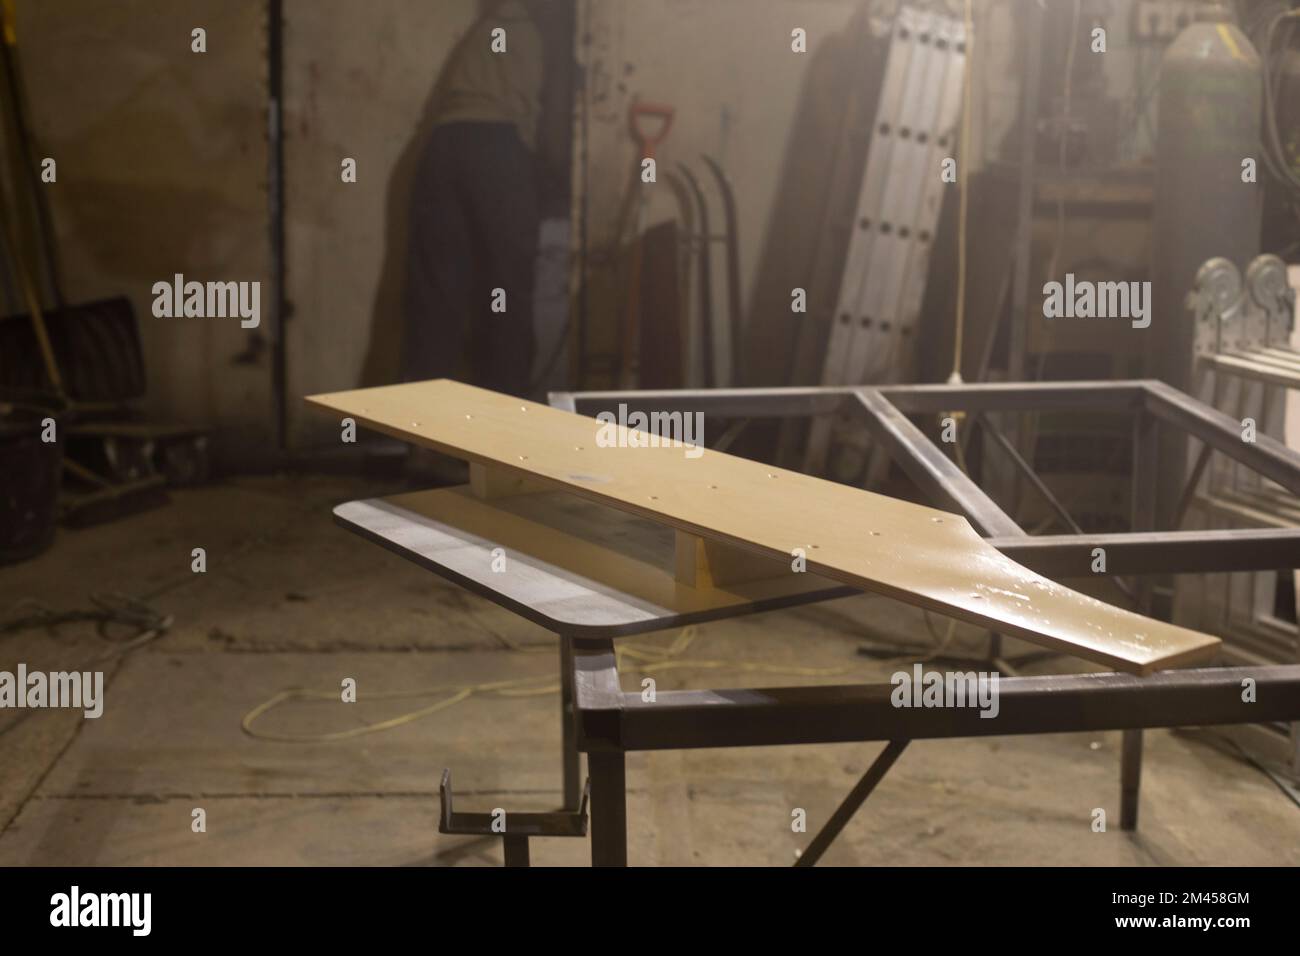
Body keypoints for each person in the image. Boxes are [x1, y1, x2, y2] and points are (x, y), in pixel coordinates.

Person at [402, 0, 544, 397]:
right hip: (498, 146)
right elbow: (530, 114)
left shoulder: (475, 35)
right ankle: (503, 421)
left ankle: (421, 438)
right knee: (506, 289)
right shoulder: (528, 33)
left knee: (436, 295)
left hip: (443, 147)